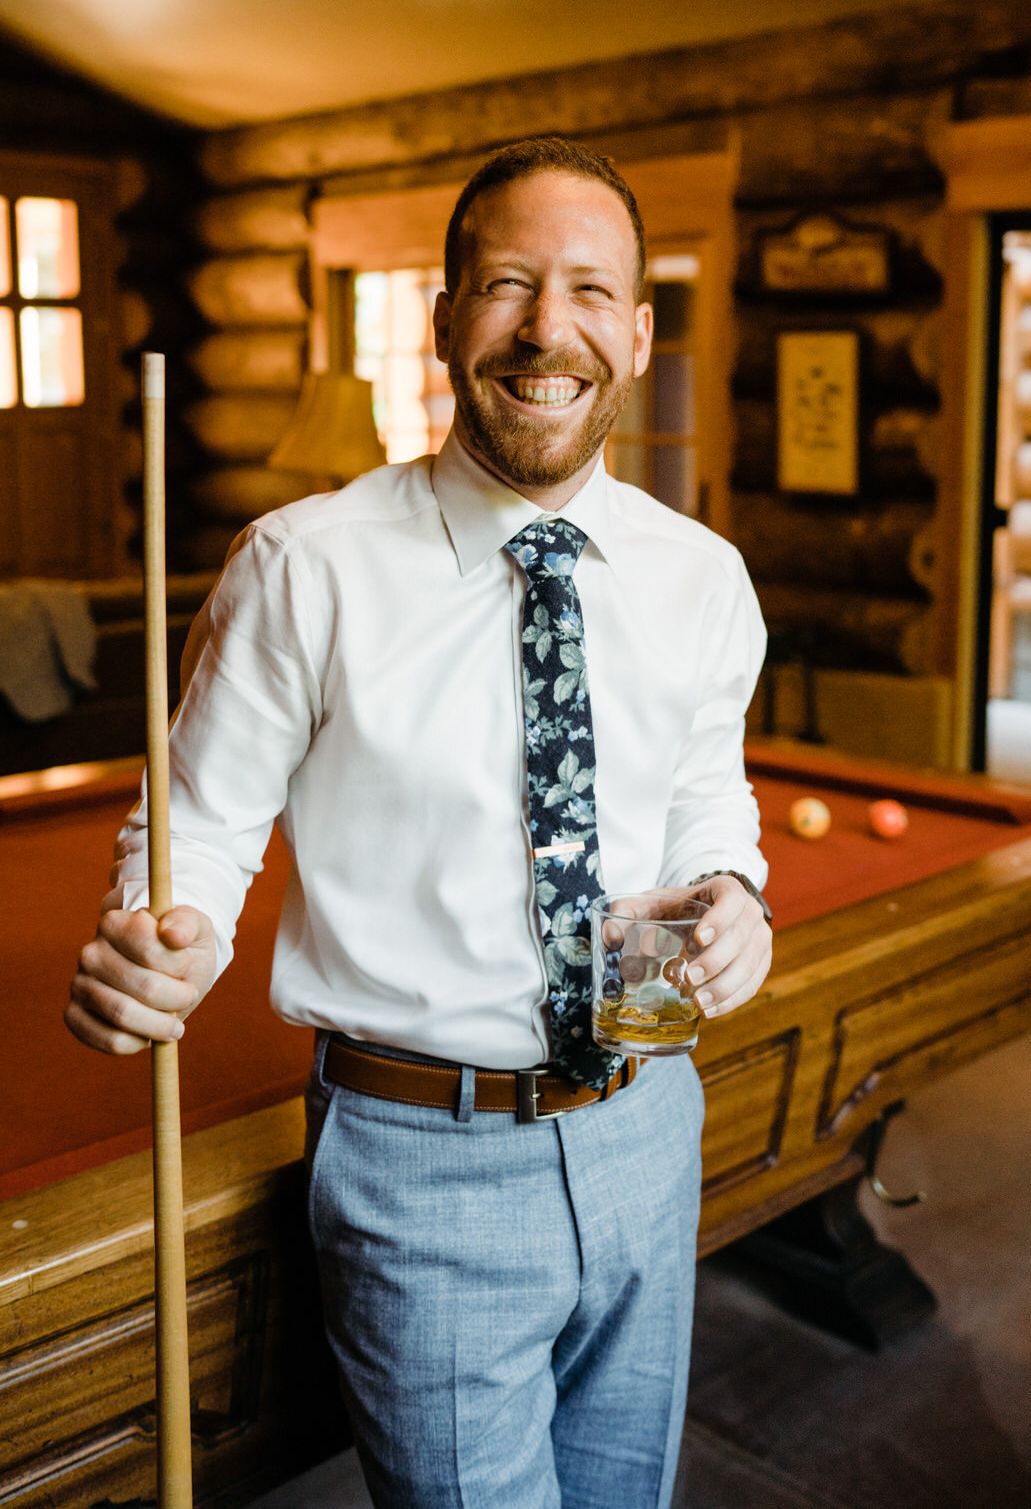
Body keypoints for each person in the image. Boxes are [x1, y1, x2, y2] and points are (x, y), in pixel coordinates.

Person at [66, 137, 773, 1509]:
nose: (545, 329)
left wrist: (733, 890)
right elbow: (197, 823)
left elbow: (705, 799)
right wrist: (167, 933)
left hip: (650, 1122)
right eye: (506, 284)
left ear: (637, 329)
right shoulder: (303, 566)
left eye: (586, 291)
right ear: (446, 318)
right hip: (416, 1165)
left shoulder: (703, 579)